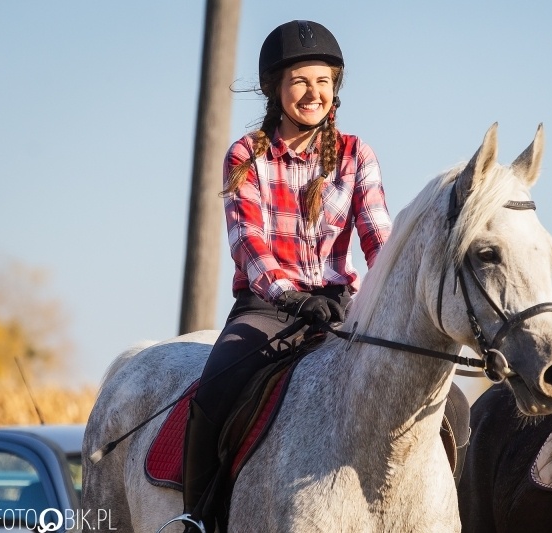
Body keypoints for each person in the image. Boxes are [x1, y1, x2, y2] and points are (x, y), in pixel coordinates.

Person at [170, 20, 393, 532]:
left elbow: (378, 234)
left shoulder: (358, 154)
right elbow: (248, 243)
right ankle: (196, 518)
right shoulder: (245, 155)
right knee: (216, 389)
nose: (313, 93)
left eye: (323, 81)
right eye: (299, 81)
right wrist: (291, 297)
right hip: (269, 307)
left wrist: (389, 293)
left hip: (341, 304)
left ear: (335, 87)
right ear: (275, 87)